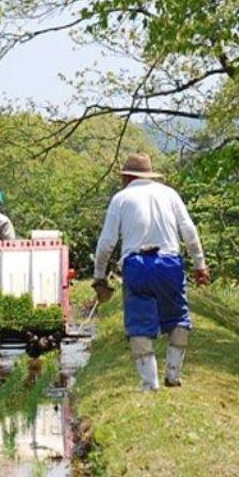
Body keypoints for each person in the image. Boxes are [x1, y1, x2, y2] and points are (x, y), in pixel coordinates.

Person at [92, 153, 209, 390]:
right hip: (169, 262)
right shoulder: (170, 194)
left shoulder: (121, 199)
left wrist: (99, 275)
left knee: (138, 322)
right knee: (179, 317)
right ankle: (173, 375)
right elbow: (189, 231)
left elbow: (107, 242)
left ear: (126, 176)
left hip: (136, 265)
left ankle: (149, 383)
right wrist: (200, 265)